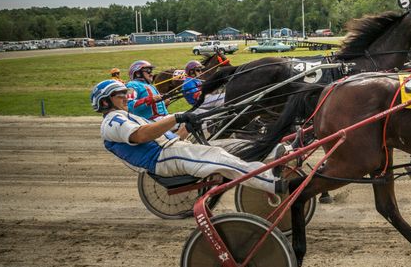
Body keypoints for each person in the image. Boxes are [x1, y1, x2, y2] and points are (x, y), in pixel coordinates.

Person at [90, 79, 287, 194]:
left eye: (125, 93)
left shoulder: (127, 116)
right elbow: (142, 136)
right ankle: (270, 183)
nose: (126, 97)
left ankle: (275, 153)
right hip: (161, 158)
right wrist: (176, 117)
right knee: (217, 157)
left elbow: (166, 129)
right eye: (119, 94)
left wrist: (188, 121)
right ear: (105, 102)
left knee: (227, 145)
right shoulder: (112, 122)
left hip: (173, 148)